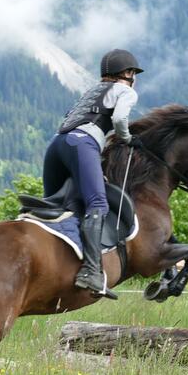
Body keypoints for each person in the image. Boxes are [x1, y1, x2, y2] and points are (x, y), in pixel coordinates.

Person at [43, 48, 143, 299]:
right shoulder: (126, 91)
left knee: (53, 206)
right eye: (133, 72)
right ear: (128, 73)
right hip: (82, 144)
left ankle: (49, 263)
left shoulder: (91, 92)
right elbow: (120, 118)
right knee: (97, 203)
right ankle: (91, 271)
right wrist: (127, 139)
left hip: (56, 145)